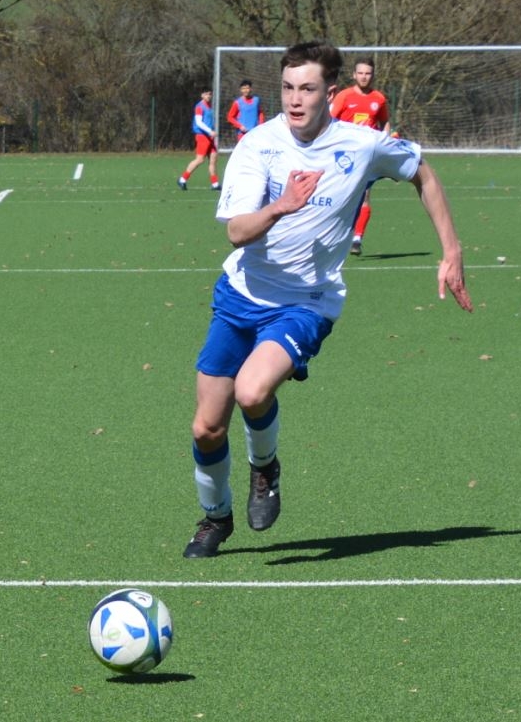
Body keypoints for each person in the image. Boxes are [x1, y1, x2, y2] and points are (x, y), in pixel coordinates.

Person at [182, 41, 472, 559]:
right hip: (241, 295)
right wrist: (282, 206)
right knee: (206, 428)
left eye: (308, 89)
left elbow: (422, 172)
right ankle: (216, 517)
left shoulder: (362, 144)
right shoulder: (257, 145)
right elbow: (236, 232)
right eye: (287, 88)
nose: (295, 99)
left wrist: (452, 251)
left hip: (307, 301)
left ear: (330, 93)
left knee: (252, 391)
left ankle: (264, 469)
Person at [330, 57, 391, 255]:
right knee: (340, 195)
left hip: (367, 156)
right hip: (344, 155)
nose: (364, 77)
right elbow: (329, 120)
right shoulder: (344, 96)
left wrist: (385, 141)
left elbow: (385, 122)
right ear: (354, 75)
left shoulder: (379, 98)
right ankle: (336, 233)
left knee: (365, 195)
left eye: (368, 73)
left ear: (373, 75)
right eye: (361, 73)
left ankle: (357, 238)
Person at [178, 89, 220, 191]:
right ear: (202, 95)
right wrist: (210, 131)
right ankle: (182, 179)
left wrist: (211, 132)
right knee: (200, 159)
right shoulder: (199, 106)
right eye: (206, 94)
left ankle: (215, 184)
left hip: (209, 137)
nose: (208, 96)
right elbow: (199, 122)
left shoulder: (209, 106)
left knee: (213, 158)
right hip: (202, 136)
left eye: (210, 94)